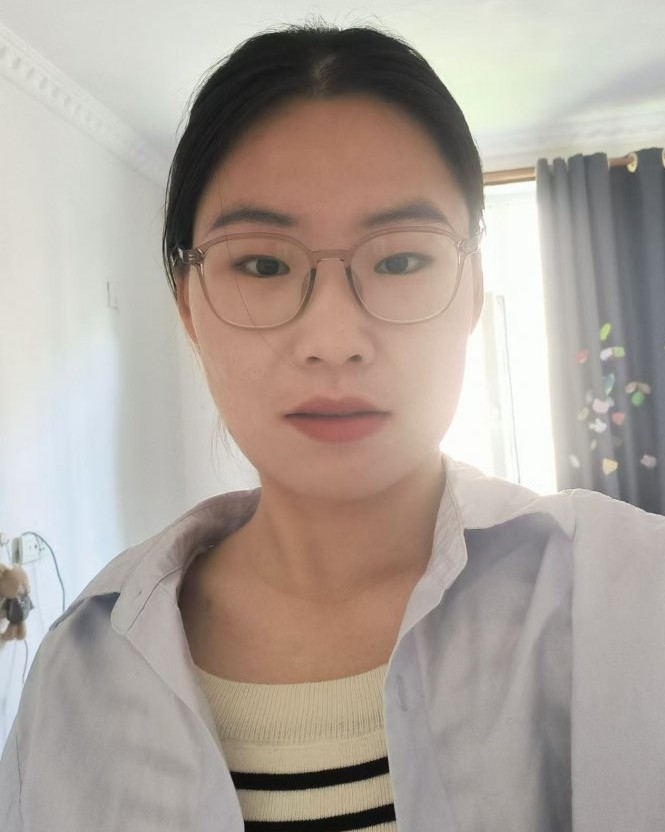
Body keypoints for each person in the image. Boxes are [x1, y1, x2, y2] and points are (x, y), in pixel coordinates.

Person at [1, 22, 664, 832]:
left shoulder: (631, 599)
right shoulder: (77, 679)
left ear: (470, 290)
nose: (333, 339)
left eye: (400, 260)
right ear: (187, 306)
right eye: (263, 264)